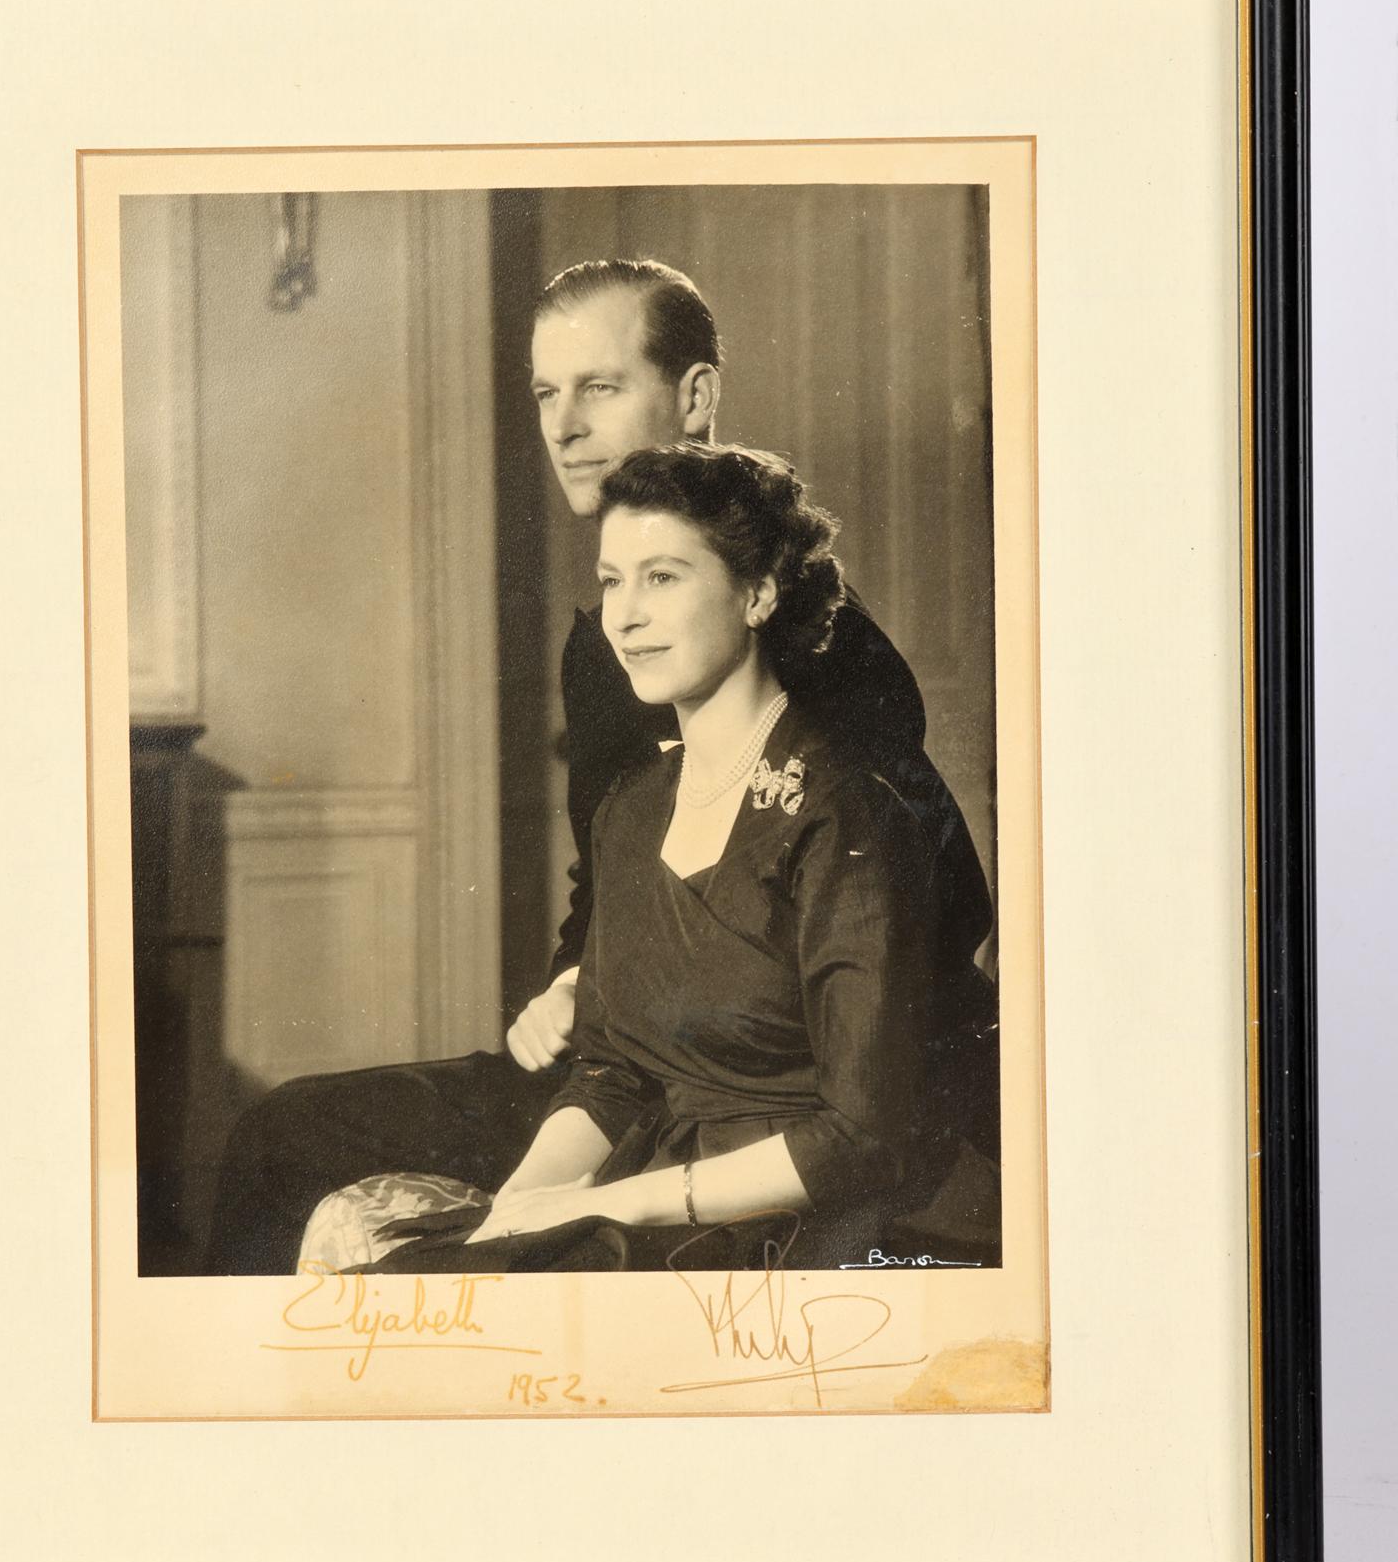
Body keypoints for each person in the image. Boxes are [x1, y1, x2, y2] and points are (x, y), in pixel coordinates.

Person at [204, 261, 987, 1273]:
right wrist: (584, 981)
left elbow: (926, 912)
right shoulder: (603, 649)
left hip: (770, 1086)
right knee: (290, 1134)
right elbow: (614, 891)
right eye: (544, 392)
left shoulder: (829, 659)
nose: (562, 425)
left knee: (335, 1170)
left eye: (600, 386)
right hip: (626, 1057)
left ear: (694, 397)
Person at [370, 444, 999, 1273]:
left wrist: (605, 1202)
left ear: (758, 593)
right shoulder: (630, 811)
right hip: (661, 1195)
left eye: (662, 578)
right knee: (421, 1283)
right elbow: (610, 1076)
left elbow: (856, 1139)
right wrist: (515, 1210)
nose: (623, 617)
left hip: (815, 1222)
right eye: (610, 581)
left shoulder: (847, 815)